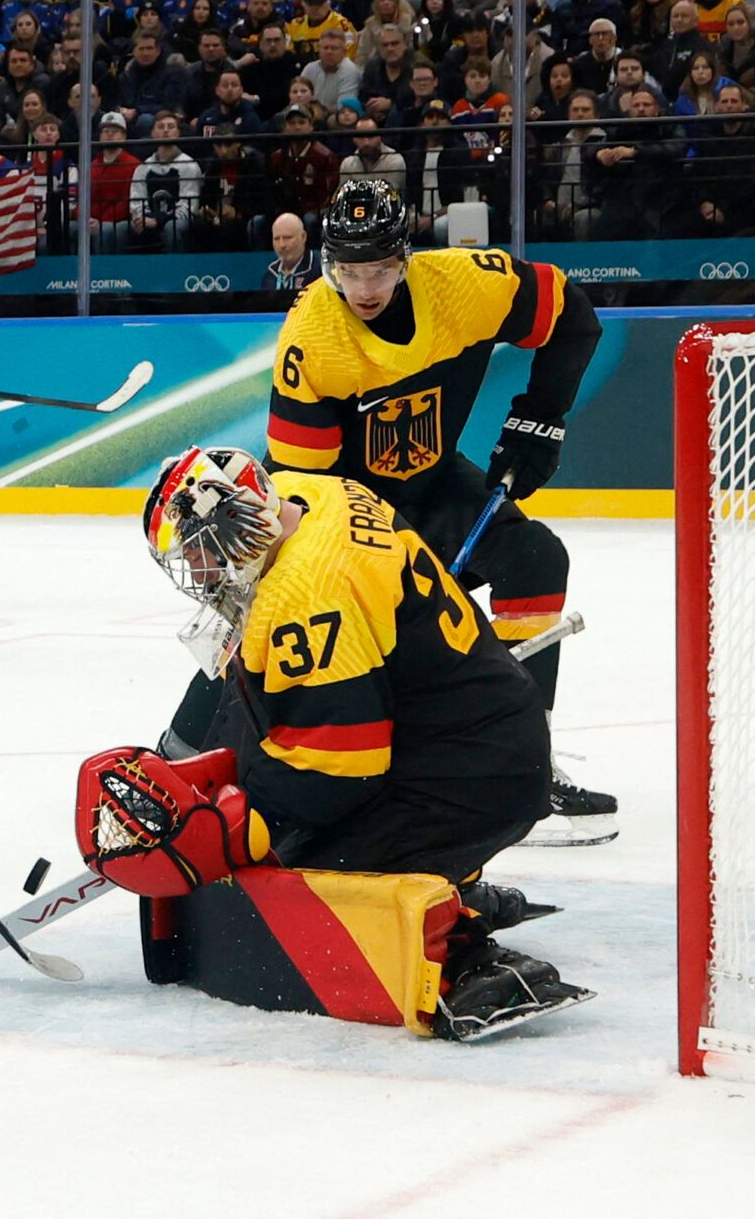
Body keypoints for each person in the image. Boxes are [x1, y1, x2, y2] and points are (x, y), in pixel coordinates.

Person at [167, 179, 613, 846]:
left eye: (378, 268)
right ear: (328, 266)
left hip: (432, 484)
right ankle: (185, 749)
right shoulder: (312, 336)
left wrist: (540, 416)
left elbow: (571, 314)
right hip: (342, 503)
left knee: (535, 559)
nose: (365, 286)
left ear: (405, 258)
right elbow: (302, 486)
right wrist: (347, 567)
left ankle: (524, 762)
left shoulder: (467, 286)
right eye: (349, 270)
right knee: (283, 617)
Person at [108, 445, 593, 1040]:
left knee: (293, 867)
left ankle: (462, 951)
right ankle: (447, 875)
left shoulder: (305, 597)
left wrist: (236, 827)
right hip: (458, 728)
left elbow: (336, 774)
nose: (200, 571)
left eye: (201, 551)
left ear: (240, 523)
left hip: (476, 776)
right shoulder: (312, 494)